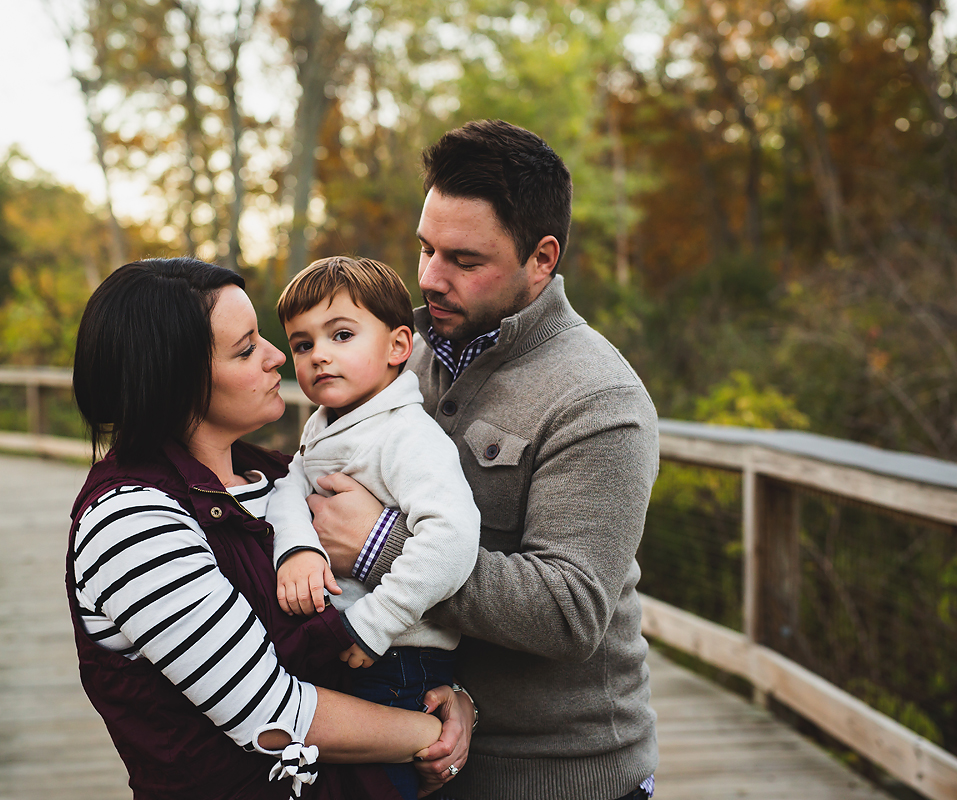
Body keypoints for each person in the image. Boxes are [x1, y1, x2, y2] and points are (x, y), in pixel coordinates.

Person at [306, 119, 660, 800]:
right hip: (410, 751)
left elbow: (569, 611)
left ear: (542, 258)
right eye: (425, 248)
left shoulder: (599, 397)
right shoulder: (387, 353)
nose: (431, 277)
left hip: (557, 777)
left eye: (465, 261)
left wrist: (382, 543)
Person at [67, 257, 473, 800]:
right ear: (174, 379)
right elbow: (274, 715)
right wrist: (438, 733)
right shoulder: (131, 519)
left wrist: (451, 696)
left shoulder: (288, 476)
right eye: (246, 348)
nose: (278, 356)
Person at [265, 255, 481, 800]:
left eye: (341, 335)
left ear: (397, 347)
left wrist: (377, 623)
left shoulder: (406, 436)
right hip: (348, 647)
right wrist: (297, 552)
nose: (319, 356)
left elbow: (452, 540)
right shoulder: (326, 427)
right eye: (303, 344)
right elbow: (289, 486)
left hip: (399, 657)